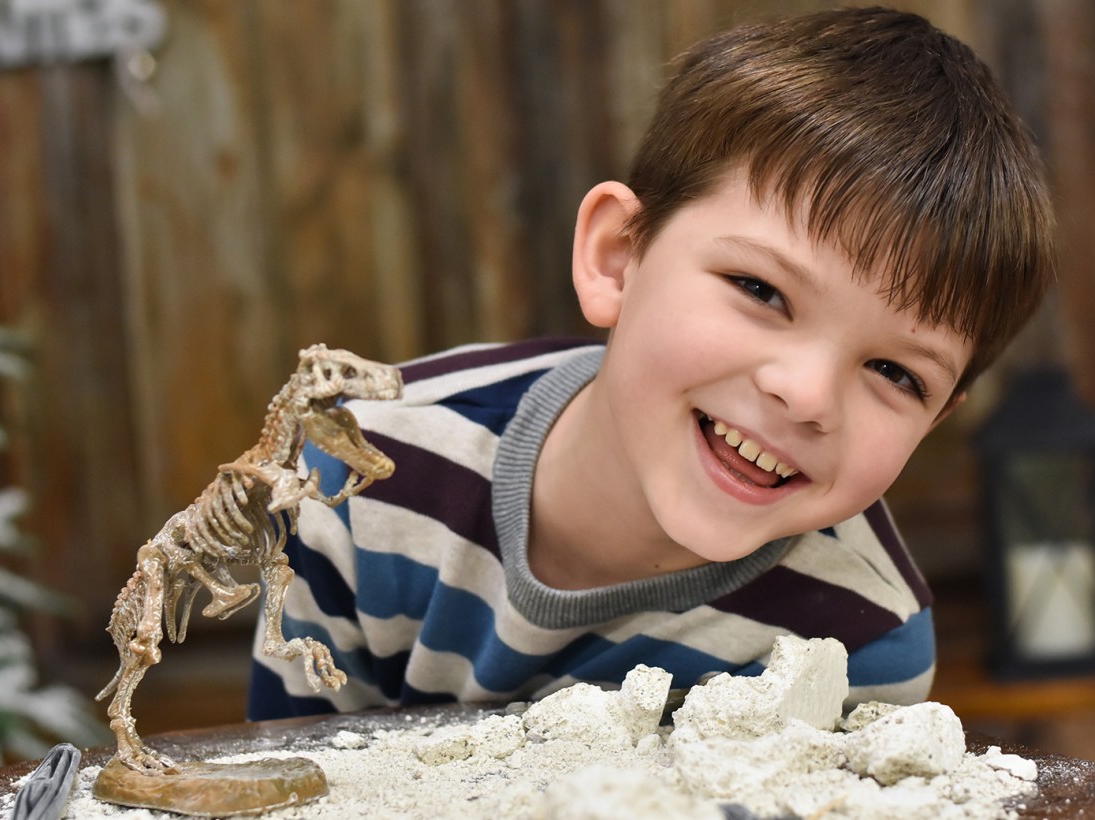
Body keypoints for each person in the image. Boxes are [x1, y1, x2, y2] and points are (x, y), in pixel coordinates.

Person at [248, 6, 1054, 720]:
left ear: (936, 421)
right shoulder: (364, 475)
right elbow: (287, 785)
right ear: (617, 257)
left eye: (896, 374)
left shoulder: (862, 640)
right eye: (760, 290)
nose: (807, 394)